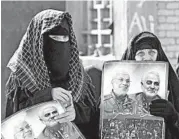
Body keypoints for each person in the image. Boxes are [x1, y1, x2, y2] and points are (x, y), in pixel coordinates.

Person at [5, 9, 98, 139]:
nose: (60, 43)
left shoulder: (78, 74)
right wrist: (47, 95)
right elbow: (14, 120)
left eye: (65, 38)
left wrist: (75, 114)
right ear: (39, 42)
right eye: (54, 38)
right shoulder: (22, 75)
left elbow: (92, 118)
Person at [122, 31, 179, 139]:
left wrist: (174, 116)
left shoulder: (173, 87)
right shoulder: (120, 85)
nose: (147, 58)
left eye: (152, 52)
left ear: (159, 54)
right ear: (132, 56)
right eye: (140, 53)